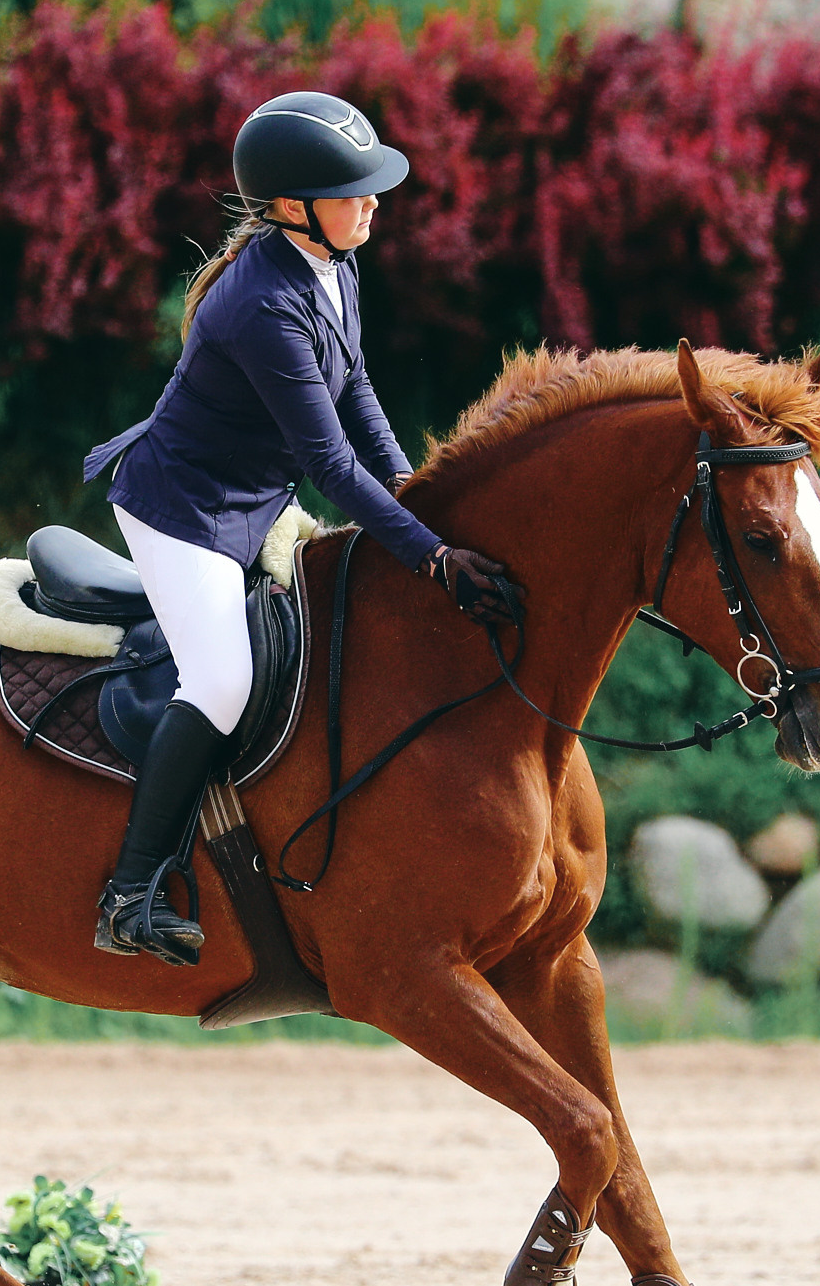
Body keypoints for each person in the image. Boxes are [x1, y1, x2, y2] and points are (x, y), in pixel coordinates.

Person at [80, 90, 520, 967]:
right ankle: (130, 893)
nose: (373, 202)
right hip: (185, 512)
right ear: (291, 206)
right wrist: (430, 555)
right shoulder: (260, 304)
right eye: (353, 190)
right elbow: (326, 462)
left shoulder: (334, 259)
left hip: (251, 498)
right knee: (221, 680)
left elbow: (356, 390)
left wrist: (413, 489)